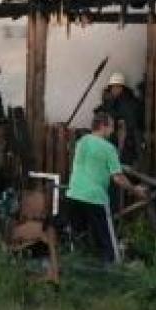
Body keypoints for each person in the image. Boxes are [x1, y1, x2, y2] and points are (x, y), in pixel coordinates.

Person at [65, 111, 148, 264]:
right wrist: (135, 190)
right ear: (103, 126)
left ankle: (75, 266)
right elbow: (118, 178)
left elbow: (92, 162)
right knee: (107, 240)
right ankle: (110, 271)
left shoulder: (81, 141)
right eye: (111, 127)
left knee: (78, 236)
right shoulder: (108, 148)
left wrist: (116, 165)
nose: (112, 131)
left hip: (74, 194)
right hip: (95, 198)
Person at [95, 71, 143, 165]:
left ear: (122, 87)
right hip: (111, 140)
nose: (115, 89)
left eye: (118, 86)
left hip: (127, 141)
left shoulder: (128, 102)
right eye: (113, 87)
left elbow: (126, 126)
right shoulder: (110, 101)